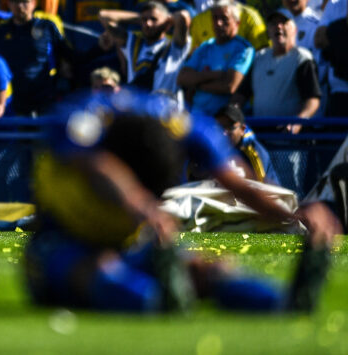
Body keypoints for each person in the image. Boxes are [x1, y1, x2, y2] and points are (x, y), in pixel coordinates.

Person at [25, 89, 338, 313]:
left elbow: (237, 181)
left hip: (131, 243)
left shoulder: (184, 127)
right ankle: (155, 301)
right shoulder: (82, 118)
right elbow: (99, 167)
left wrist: (293, 213)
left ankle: (283, 304)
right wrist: (140, 204)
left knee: (207, 269)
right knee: (100, 269)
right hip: (64, 241)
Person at [0, 0, 68, 116]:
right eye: (15, 1)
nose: (20, 6)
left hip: (43, 99)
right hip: (9, 102)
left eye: (24, 1)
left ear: (34, 2)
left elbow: (67, 56)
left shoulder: (47, 27)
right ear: (8, 2)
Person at [179, 0, 255, 117]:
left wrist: (197, 84)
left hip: (222, 120)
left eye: (224, 18)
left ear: (237, 23)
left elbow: (229, 86)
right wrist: (214, 75)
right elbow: (182, 78)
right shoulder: (206, 46)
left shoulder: (243, 49)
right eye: (215, 18)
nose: (219, 23)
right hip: (197, 117)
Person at [249, 8, 321, 131]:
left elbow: (312, 100)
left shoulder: (302, 58)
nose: (278, 26)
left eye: (284, 22)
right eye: (273, 23)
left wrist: (298, 122)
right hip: (260, 135)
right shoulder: (259, 58)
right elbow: (241, 94)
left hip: (288, 138)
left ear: (295, 29)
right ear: (268, 31)